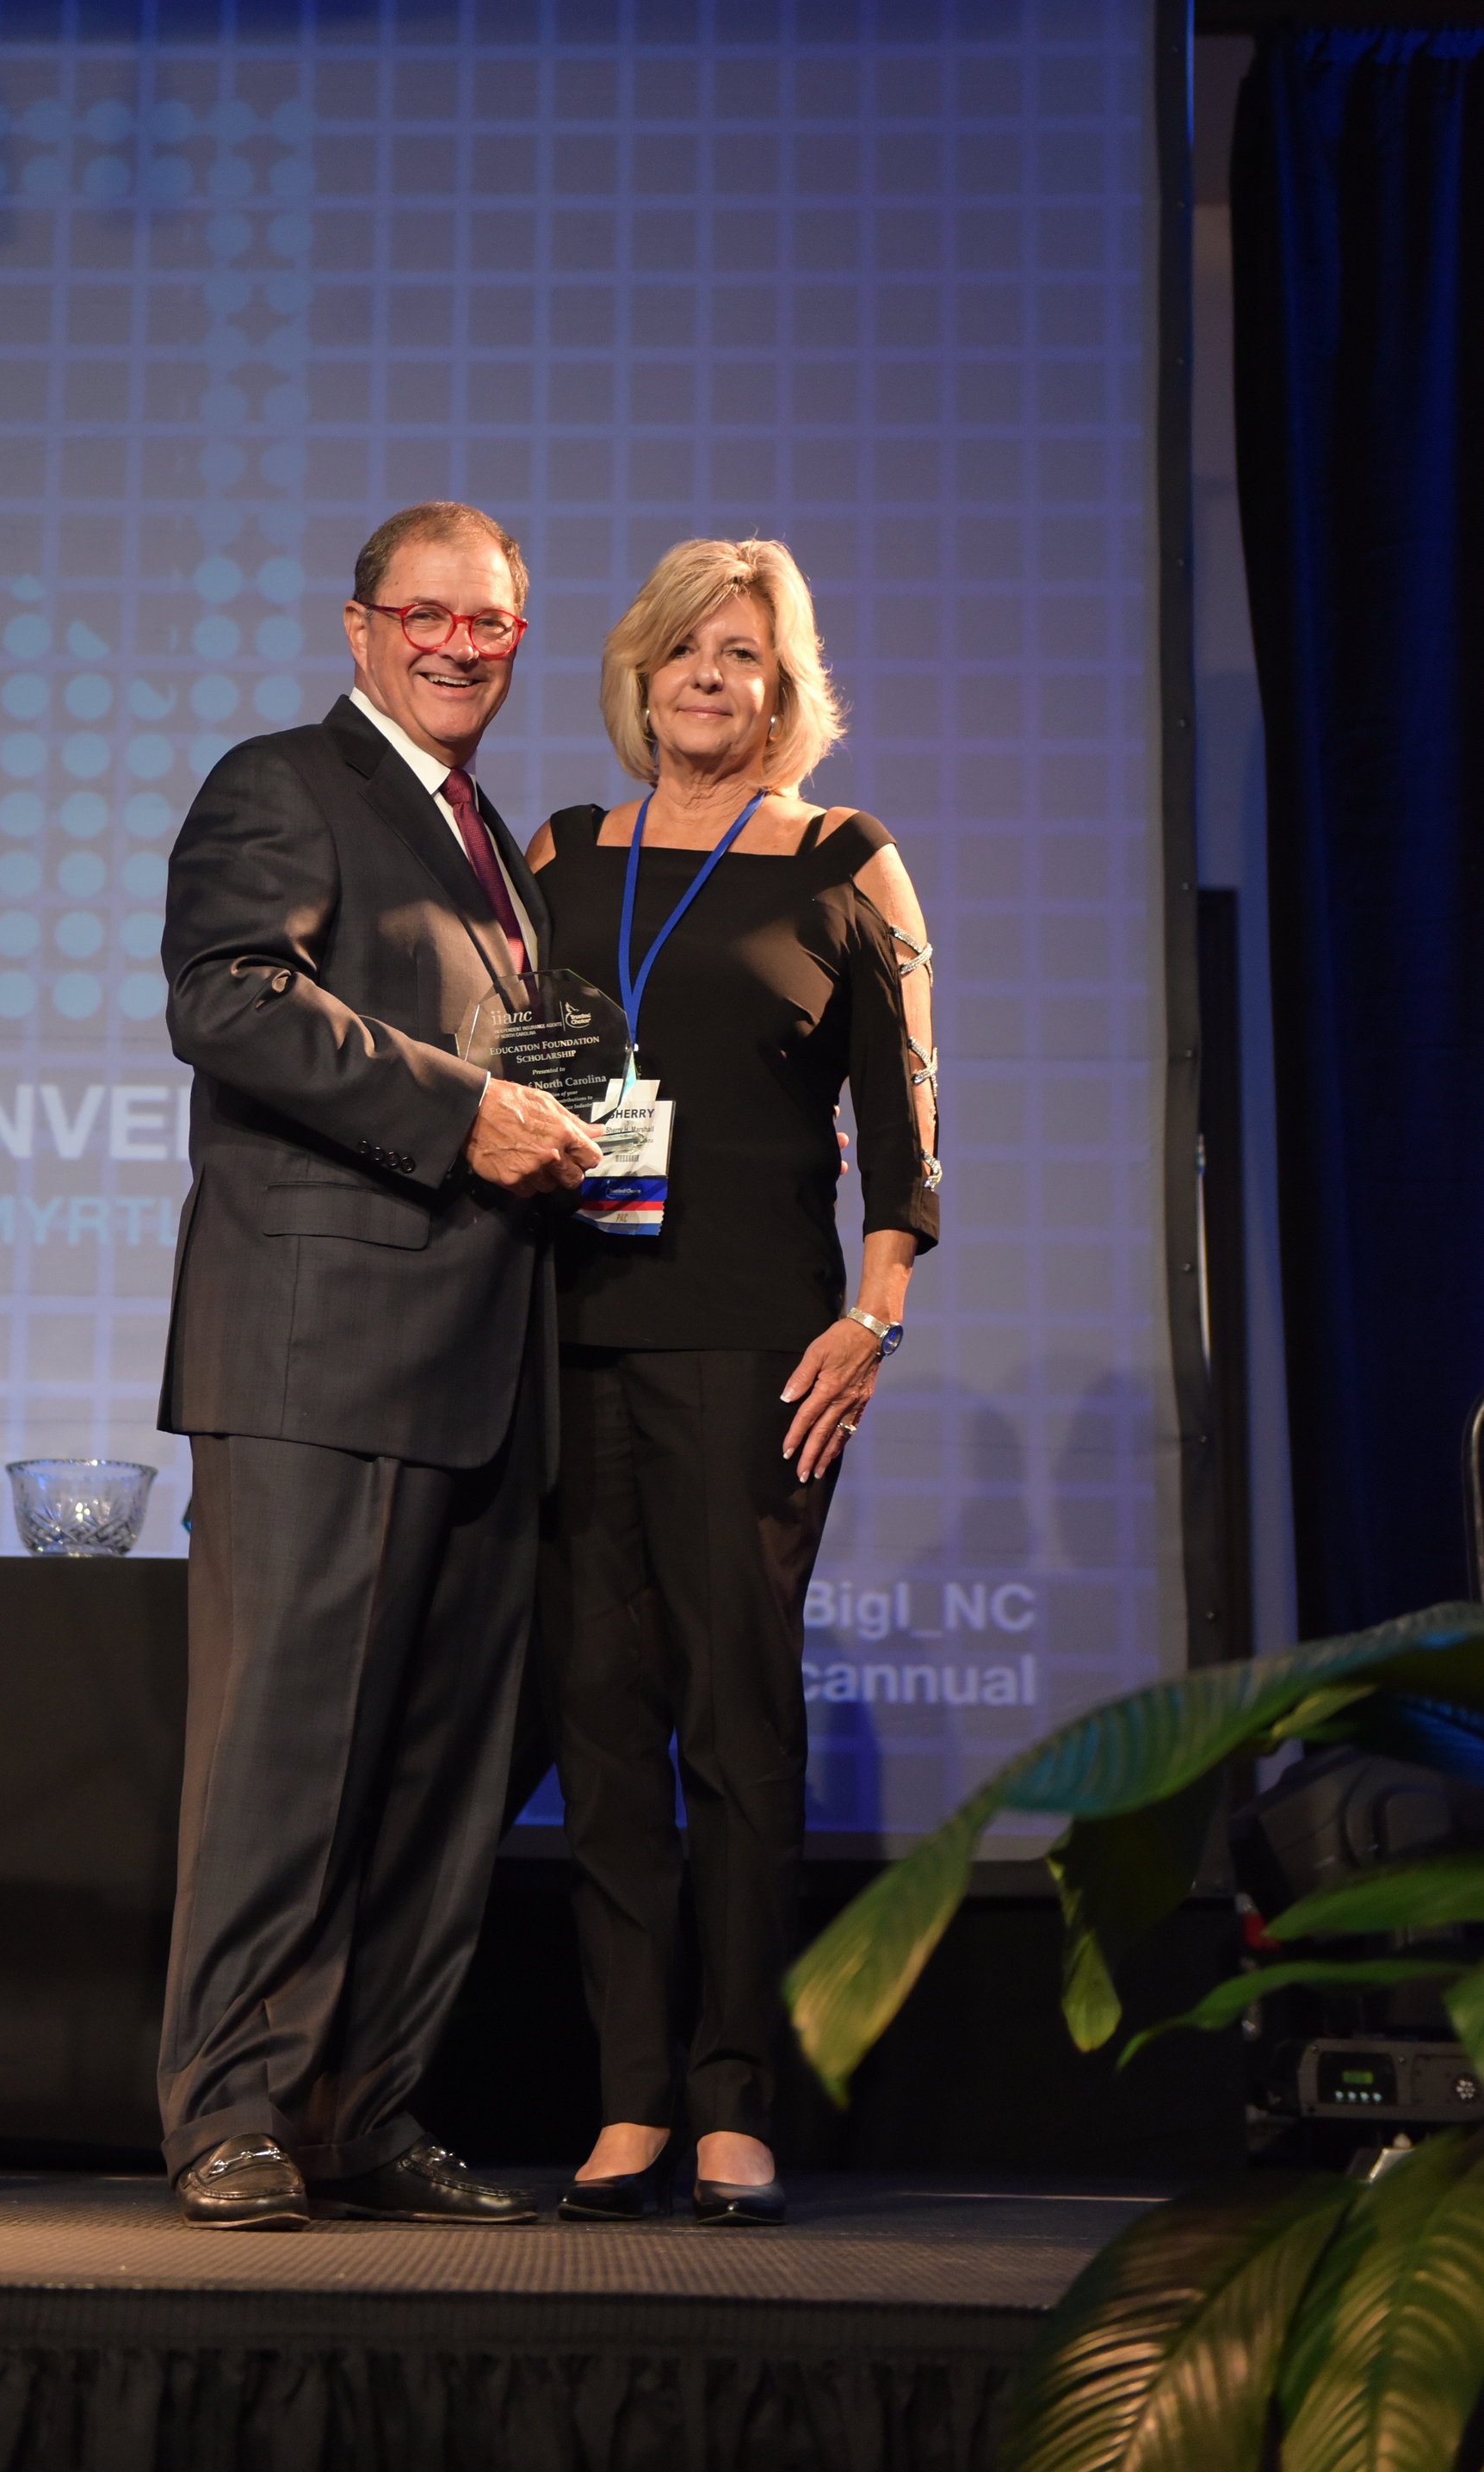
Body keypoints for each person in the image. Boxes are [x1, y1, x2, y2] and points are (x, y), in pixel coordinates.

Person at [154, 499, 602, 2229]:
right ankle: (230, 2113)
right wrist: (460, 1110)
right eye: (423, 616)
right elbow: (228, 1000)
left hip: (486, 1364)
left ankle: (364, 2105)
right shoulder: (284, 783)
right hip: (316, 1357)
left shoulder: (490, 838)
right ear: (357, 629)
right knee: (286, 1759)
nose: (454, 646)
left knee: (435, 1774)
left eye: (485, 624)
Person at [527, 536, 940, 2226]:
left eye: (746, 656)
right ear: (637, 673)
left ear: (786, 691)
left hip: (756, 1344)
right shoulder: (554, 853)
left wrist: (876, 1309)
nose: (712, 677)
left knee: (734, 1721)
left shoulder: (842, 858)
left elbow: (904, 1118)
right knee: (600, 1728)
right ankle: (626, 2101)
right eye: (686, 650)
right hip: (563, 1337)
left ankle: (730, 2096)